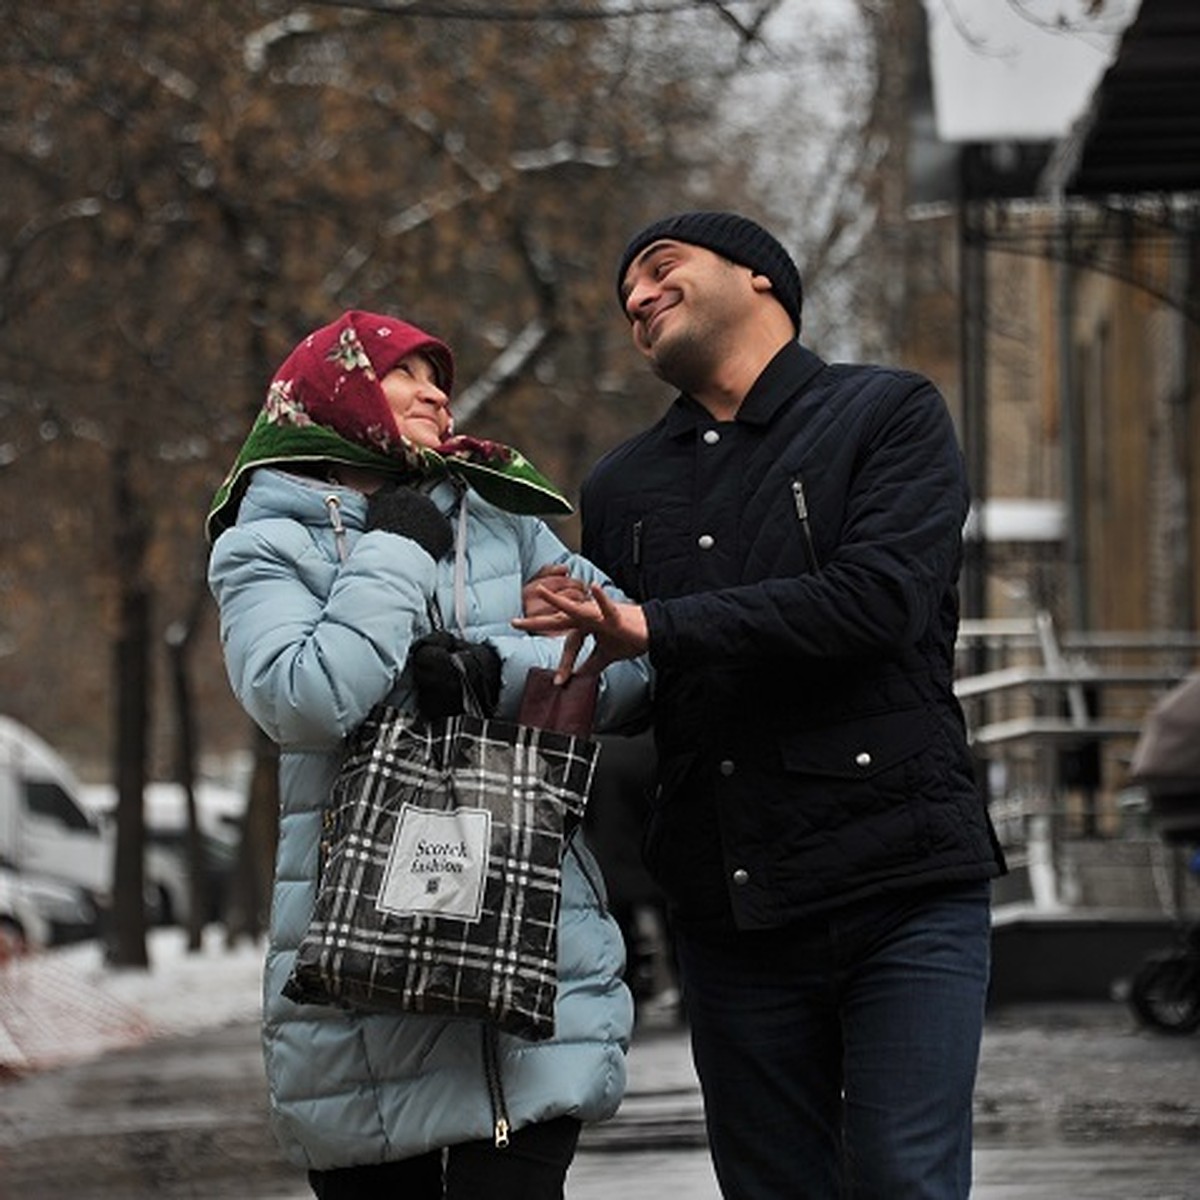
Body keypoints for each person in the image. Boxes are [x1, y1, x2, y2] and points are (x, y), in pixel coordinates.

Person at [515, 212, 1008, 1199]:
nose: (640, 300)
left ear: (761, 278)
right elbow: (624, 676)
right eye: (628, 301)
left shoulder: (888, 413)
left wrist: (653, 626)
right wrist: (519, 663)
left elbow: (880, 602)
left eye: (660, 271)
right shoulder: (621, 485)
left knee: (905, 1178)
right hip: (731, 909)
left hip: (902, 884)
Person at [206, 309, 649, 1200]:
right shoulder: (262, 546)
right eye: (405, 374)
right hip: (363, 986)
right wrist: (396, 549)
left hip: (524, 967)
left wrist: (493, 666)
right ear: (334, 393)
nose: (437, 393)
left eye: (439, 375)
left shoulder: (505, 517)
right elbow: (305, 697)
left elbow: (633, 668)